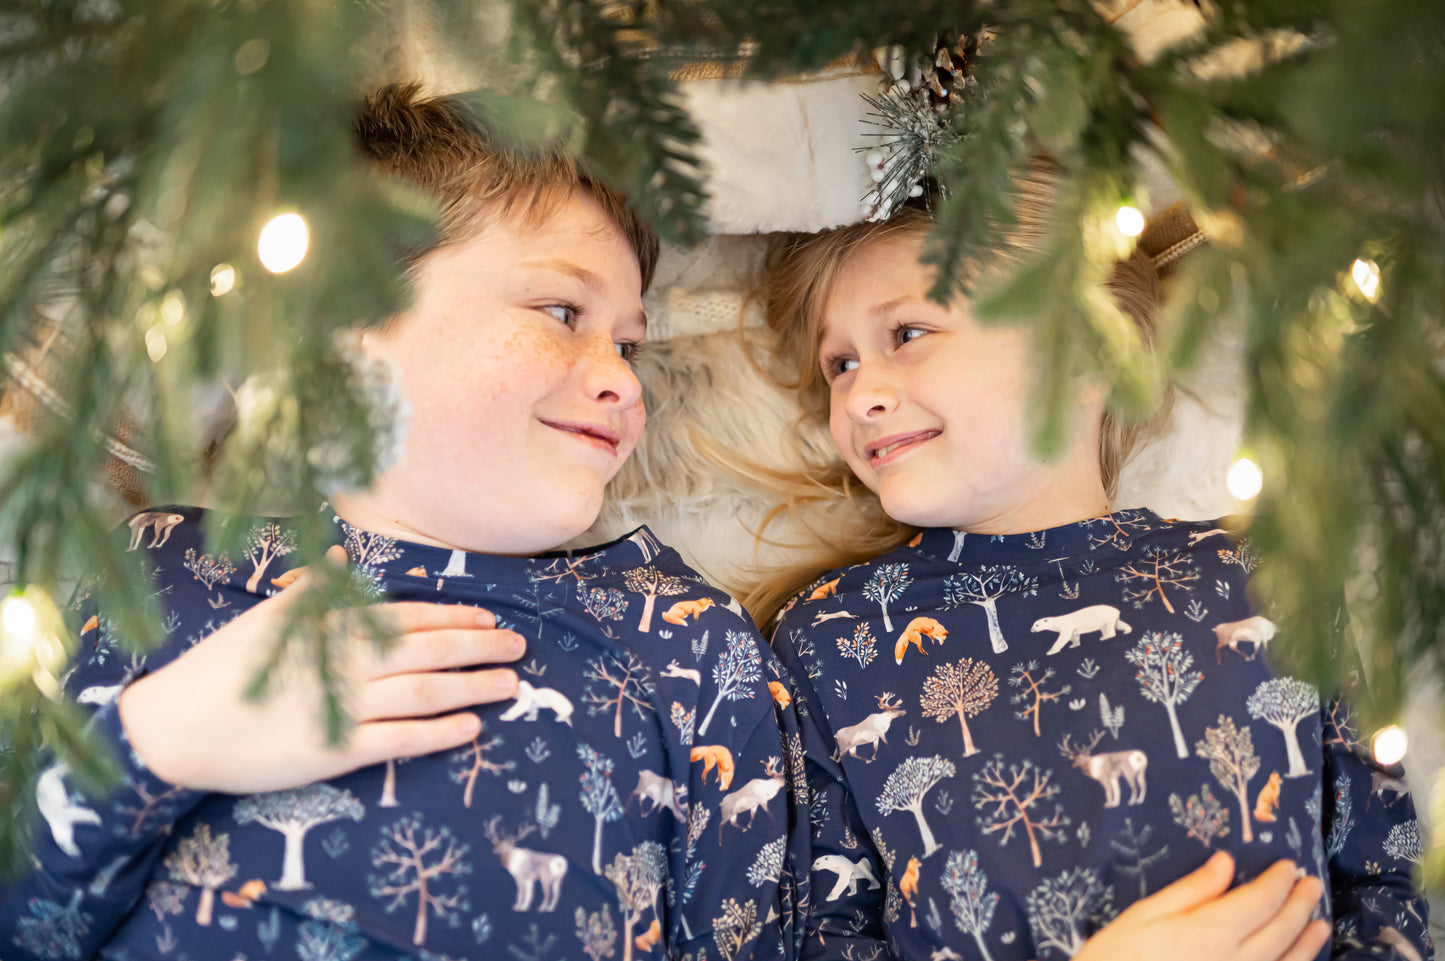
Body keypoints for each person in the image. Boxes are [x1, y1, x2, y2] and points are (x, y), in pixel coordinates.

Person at [0, 84, 808, 961]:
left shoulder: (683, 639)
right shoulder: (162, 570)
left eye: (629, 344)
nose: (622, 379)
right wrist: (160, 740)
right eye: (562, 313)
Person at [748, 169, 1433, 961]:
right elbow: (822, 937)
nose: (860, 391)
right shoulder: (833, 640)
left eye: (905, 334)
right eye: (838, 364)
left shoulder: (1257, 570)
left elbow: (1384, 881)